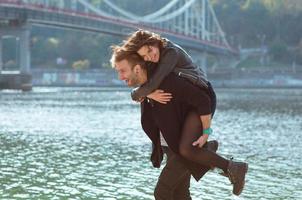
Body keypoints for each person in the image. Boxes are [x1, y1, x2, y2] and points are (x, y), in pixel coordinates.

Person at [110, 49, 248, 198]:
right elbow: (140, 100)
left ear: (137, 68)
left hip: (183, 148)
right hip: (170, 148)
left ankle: (229, 165)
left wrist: (206, 132)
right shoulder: (145, 89)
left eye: (122, 71)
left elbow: (203, 100)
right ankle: (209, 152)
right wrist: (144, 93)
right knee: (180, 193)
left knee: (162, 192)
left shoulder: (168, 81)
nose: (120, 77)